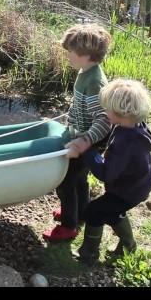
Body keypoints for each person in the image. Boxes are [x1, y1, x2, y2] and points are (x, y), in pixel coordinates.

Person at [72, 78, 151, 265]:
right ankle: (128, 245)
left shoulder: (126, 142)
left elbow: (105, 173)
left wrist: (87, 150)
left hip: (128, 190)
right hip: (138, 182)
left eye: (107, 109)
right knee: (112, 212)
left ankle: (89, 254)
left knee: (94, 212)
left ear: (122, 112)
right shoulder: (132, 126)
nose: (104, 112)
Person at [43, 24, 112, 242]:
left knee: (66, 182)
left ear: (86, 54)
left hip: (89, 141)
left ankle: (69, 225)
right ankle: (80, 213)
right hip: (82, 136)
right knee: (80, 180)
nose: (67, 56)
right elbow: (79, 105)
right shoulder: (85, 72)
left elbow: (104, 120)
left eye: (70, 52)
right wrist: (70, 123)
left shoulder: (95, 83)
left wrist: (83, 141)